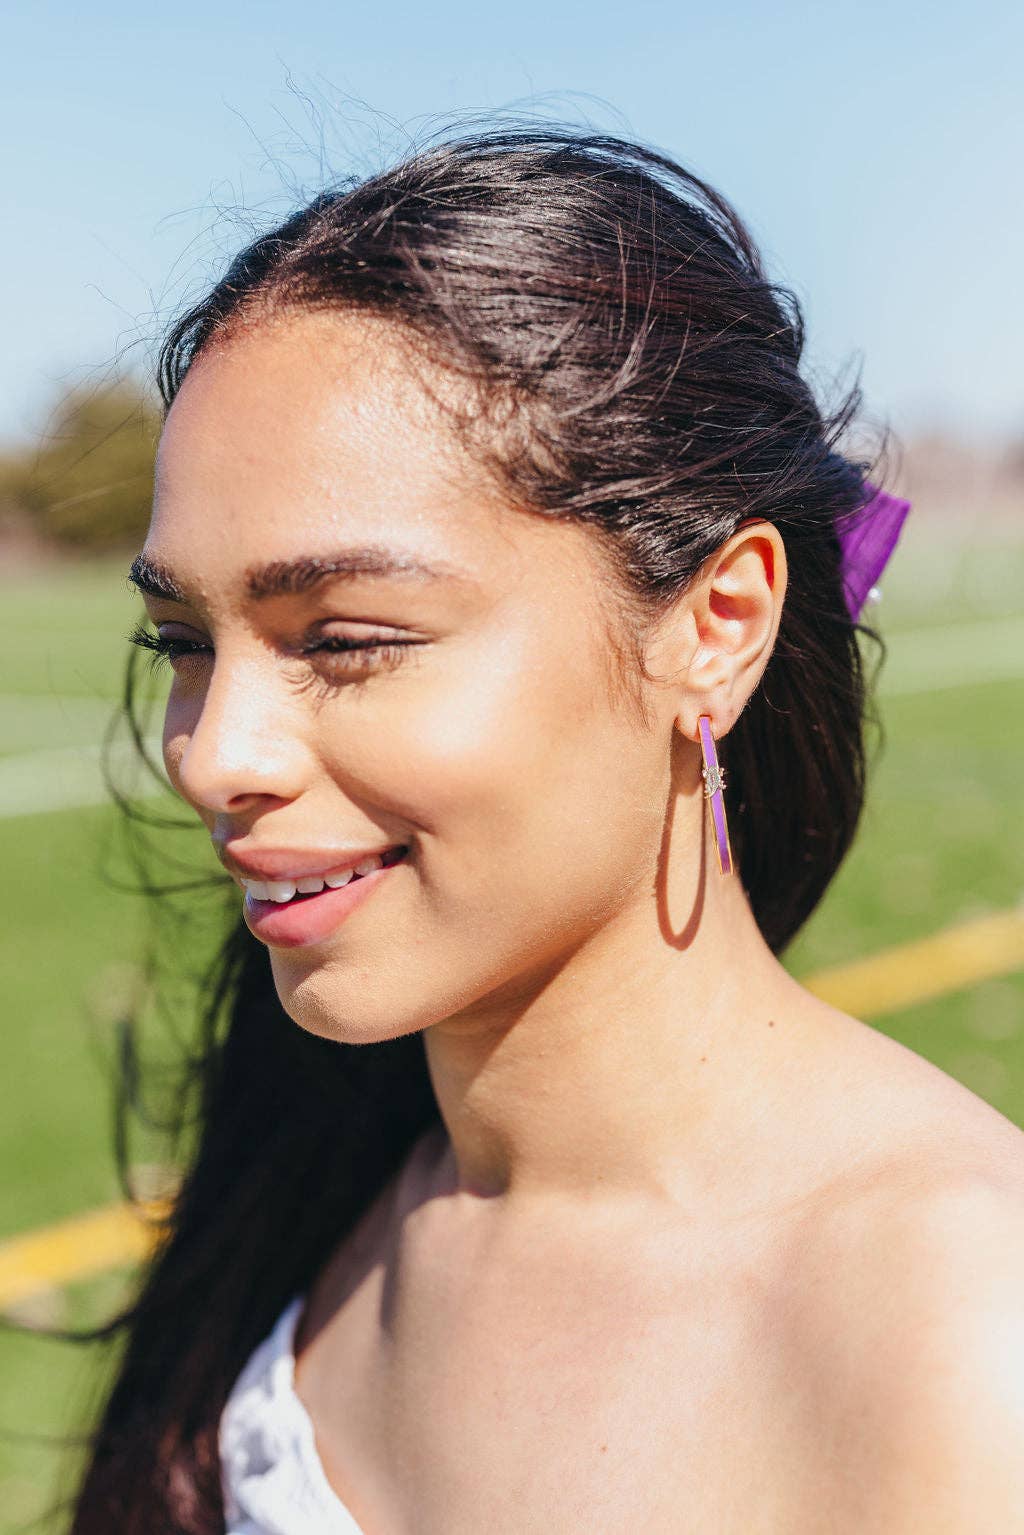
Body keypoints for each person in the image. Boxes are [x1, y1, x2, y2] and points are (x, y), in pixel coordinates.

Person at [70, 124, 1024, 1534]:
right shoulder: (320, 1166)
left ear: (719, 623)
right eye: (182, 641)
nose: (216, 757)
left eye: (345, 636)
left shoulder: (960, 1333)